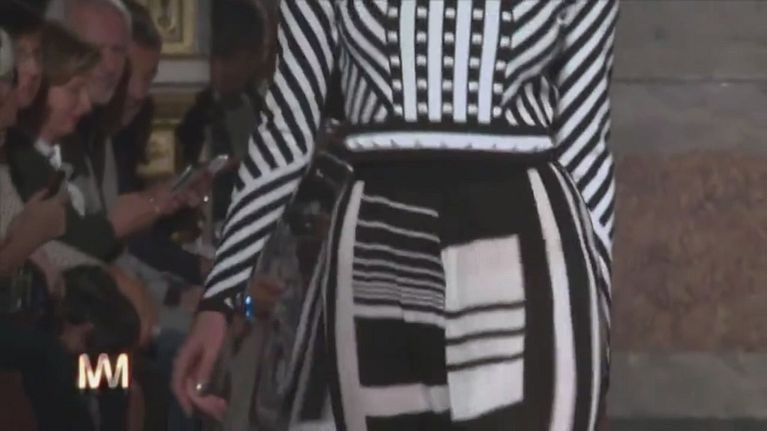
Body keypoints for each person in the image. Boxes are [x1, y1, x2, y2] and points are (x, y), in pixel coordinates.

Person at [174, 1, 619, 430]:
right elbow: (287, 129)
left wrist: (596, 320)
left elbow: (585, 141)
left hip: (512, 243)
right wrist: (220, 299)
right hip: (382, 251)